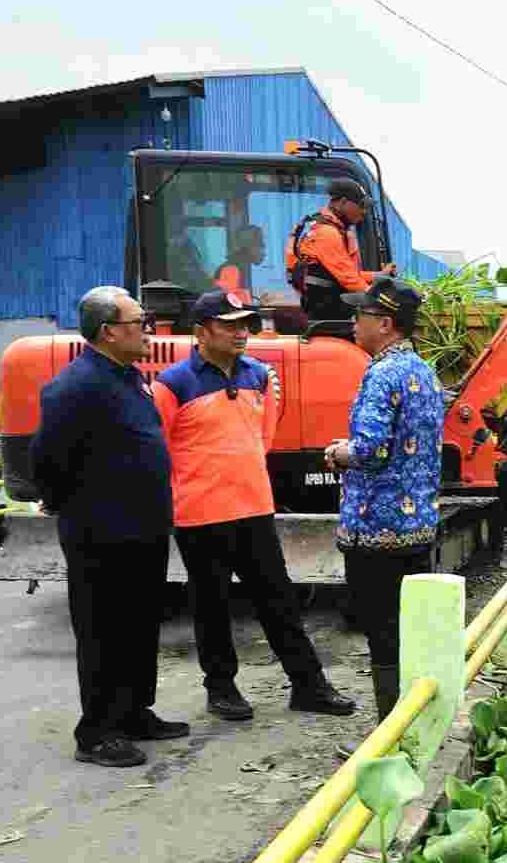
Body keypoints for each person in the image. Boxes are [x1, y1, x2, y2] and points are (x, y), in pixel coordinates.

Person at [152, 291, 357, 722]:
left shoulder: (259, 377)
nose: (241, 332)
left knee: (279, 600)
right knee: (211, 606)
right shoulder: (171, 385)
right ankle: (221, 689)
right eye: (229, 324)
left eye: (245, 323)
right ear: (202, 330)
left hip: (254, 510)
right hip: (198, 517)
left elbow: (263, 438)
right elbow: (159, 450)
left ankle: (308, 685)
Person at [30, 287, 184, 767]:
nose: (148, 330)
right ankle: (96, 732)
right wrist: (68, 506)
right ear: (108, 332)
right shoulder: (75, 387)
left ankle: (134, 711)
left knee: (139, 626)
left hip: (143, 528)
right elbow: (47, 462)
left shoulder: (128, 378)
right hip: (101, 534)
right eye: (139, 322)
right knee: (103, 632)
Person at [322, 277, 441, 721]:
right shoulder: (422, 371)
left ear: (386, 323)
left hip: (377, 529)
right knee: (408, 629)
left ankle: (389, 732)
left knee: (383, 632)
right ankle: (411, 721)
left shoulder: (381, 373)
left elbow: (371, 451)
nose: (354, 322)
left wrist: (338, 452)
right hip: (417, 525)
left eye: (361, 315)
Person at [284, 179, 396, 322]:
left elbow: (345, 273)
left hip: (325, 306)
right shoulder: (327, 233)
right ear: (343, 202)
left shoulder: (323, 227)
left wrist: (378, 276)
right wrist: (382, 299)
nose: (364, 212)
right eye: (362, 205)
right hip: (327, 312)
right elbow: (349, 279)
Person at [213, 225, 266, 305]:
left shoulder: (241, 268)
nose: (264, 248)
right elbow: (232, 309)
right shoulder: (231, 270)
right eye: (260, 244)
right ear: (248, 247)